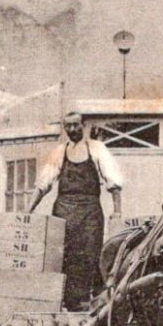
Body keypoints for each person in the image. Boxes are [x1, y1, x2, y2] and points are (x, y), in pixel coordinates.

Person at [29, 112, 123, 309]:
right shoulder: (59, 152)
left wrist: (117, 211)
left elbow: (113, 182)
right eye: (68, 126)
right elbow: (43, 184)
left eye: (76, 125)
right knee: (65, 256)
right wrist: (28, 210)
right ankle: (68, 303)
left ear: (84, 125)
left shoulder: (97, 149)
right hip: (63, 211)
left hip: (90, 212)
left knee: (90, 254)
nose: (72, 130)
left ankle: (91, 303)